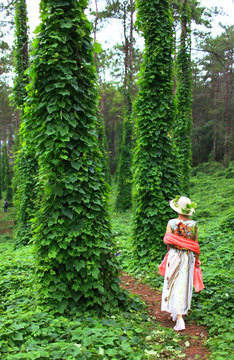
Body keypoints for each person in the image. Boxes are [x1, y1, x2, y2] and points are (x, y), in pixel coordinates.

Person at [159, 196, 204, 331]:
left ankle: (179, 318)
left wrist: (176, 241)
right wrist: (197, 259)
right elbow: (195, 244)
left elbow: (167, 240)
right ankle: (177, 312)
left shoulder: (172, 223)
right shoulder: (194, 225)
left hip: (174, 257)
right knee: (183, 284)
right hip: (188, 257)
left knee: (172, 282)